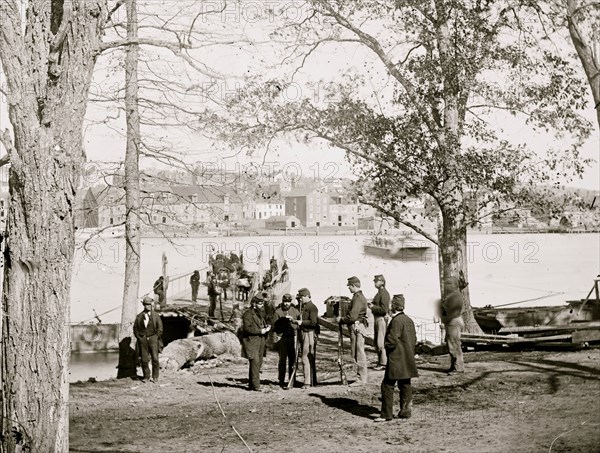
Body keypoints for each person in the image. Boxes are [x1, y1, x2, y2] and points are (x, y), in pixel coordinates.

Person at [374, 294, 418, 422]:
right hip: (407, 358)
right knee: (405, 384)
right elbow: (413, 340)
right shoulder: (408, 320)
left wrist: (385, 347)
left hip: (396, 359)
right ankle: (405, 412)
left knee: (387, 386)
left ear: (393, 306)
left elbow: (392, 341)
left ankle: (386, 414)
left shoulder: (396, 321)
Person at [337, 276, 368, 386]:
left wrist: (342, 320)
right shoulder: (357, 297)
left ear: (354, 286)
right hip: (357, 326)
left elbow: (353, 317)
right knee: (356, 352)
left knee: (358, 353)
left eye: (349, 286)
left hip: (357, 327)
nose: (348, 288)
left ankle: (361, 379)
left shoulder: (357, 298)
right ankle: (360, 377)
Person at [242, 294, 271, 391]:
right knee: (255, 362)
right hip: (252, 341)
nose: (261, 305)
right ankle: (256, 385)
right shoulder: (248, 314)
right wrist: (260, 331)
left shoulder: (261, 313)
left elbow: (261, 323)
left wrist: (267, 327)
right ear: (254, 303)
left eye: (262, 303)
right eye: (259, 303)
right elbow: (247, 328)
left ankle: (251, 385)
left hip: (261, 341)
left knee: (258, 363)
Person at [271, 293, 300, 388]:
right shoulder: (277, 312)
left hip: (292, 338)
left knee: (292, 360)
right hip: (282, 339)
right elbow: (273, 326)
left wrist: (293, 323)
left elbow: (299, 324)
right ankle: (281, 379)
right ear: (282, 301)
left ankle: (292, 380)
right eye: (285, 301)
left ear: (291, 302)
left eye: (288, 302)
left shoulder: (295, 311)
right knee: (282, 360)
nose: (286, 304)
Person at [292, 287, 319, 388]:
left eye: (302, 297)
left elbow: (313, 323)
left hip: (309, 334)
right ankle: (312, 381)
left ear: (307, 296)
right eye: (299, 298)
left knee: (305, 358)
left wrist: (301, 322)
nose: (300, 299)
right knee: (308, 357)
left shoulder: (312, 307)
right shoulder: (303, 307)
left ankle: (307, 382)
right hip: (303, 333)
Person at [133, 296, 163, 383]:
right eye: (146, 305)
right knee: (144, 360)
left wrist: (156, 337)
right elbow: (135, 328)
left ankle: (155, 377)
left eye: (150, 304)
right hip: (143, 339)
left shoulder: (156, 316)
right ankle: (146, 376)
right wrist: (139, 337)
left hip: (153, 338)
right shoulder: (139, 316)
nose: (148, 306)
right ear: (144, 305)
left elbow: (160, 327)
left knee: (155, 359)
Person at [439, 276, 465, 374]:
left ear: (454, 285)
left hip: (453, 321)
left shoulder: (455, 296)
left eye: (449, 284)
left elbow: (447, 308)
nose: (447, 286)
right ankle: (455, 366)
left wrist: (442, 305)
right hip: (452, 321)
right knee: (453, 344)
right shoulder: (455, 295)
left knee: (454, 344)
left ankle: (458, 368)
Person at [369, 274, 390, 371]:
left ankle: (383, 363)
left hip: (381, 319)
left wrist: (373, 307)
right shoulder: (379, 293)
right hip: (377, 319)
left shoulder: (384, 294)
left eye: (376, 281)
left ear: (382, 282)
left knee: (380, 342)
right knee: (377, 341)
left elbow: (384, 310)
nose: (374, 283)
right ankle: (381, 362)